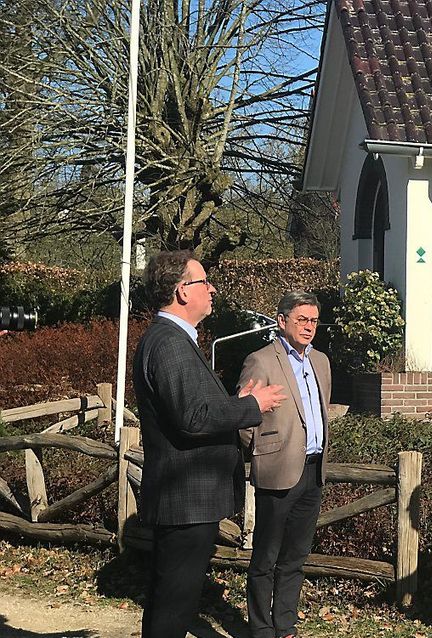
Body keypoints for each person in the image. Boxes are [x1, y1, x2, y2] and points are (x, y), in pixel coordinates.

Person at [133, 250, 286, 638]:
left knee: (173, 602)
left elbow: (193, 409)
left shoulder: (174, 339)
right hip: (185, 501)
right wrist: (253, 405)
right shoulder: (168, 342)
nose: (211, 288)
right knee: (172, 607)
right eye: (204, 281)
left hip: (188, 498)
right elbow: (192, 418)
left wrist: (234, 405)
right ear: (183, 291)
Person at [238, 291, 331, 638]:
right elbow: (243, 416)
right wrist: (264, 452)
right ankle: (261, 628)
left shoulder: (320, 361)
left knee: (295, 557)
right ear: (282, 321)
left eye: (314, 321)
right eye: (302, 320)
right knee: (265, 558)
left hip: (313, 469)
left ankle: (285, 626)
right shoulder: (261, 361)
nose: (309, 327)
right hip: (278, 471)